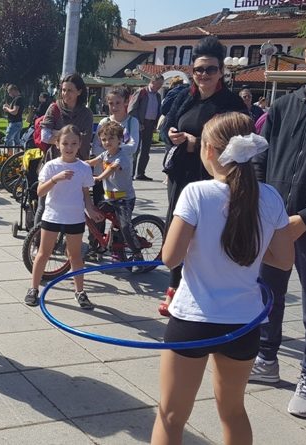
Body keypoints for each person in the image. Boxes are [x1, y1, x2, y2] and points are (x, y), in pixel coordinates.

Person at [151, 112, 294, 444]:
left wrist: (205, 244)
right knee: (232, 411)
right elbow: (284, 260)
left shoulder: (196, 193)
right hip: (243, 323)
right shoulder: (270, 197)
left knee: (170, 415)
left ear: (209, 151)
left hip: (193, 319)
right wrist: (248, 251)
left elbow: (169, 257)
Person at [249, 23, 306, 419]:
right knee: (269, 294)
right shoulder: (283, 107)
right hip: (276, 219)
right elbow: (261, 158)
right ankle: (267, 357)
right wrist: (262, 203)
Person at [159, 36, 246, 317]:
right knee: (178, 229)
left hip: (214, 180)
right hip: (181, 176)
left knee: (207, 235)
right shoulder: (184, 97)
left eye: (210, 69)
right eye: (198, 69)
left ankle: (204, 289)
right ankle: (174, 287)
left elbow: (240, 146)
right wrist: (171, 135)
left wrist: (198, 144)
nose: (204, 75)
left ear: (221, 71)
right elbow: (166, 126)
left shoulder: (231, 103)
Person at [24, 125, 101, 308]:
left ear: (80, 144)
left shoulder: (83, 167)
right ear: (57, 144)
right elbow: (40, 192)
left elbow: (85, 193)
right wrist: (55, 179)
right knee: (44, 253)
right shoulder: (51, 166)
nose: (69, 147)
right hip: (53, 215)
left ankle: (80, 292)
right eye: (65, 143)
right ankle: (33, 289)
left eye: (73, 143)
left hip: (75, 217)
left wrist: (90, 209)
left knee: (75, 255)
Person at [36, 73, 94, 227]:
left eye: (70, 90)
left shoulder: (86, 113)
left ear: (79, 91)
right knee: (43, 205)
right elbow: (45, 136)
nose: (65, 94)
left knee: (72, 203)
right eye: (63, 90)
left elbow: (85, 140)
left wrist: (58, 135)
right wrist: (69, 136)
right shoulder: (54, 108)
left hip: (76, 164)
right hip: (54, 161)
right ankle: (37, 237)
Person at [86, 121, 145, 267]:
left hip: (124, 200)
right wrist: (75, 164)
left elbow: (112, 169)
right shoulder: (105, 154)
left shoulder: (122, 157)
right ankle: (97, 245)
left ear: (120, 140)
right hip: (109, 198)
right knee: (95, 216)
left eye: (111, 138)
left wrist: (98, 178)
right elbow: (92, 162)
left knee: (125, 227)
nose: (107, 142)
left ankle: (137, 253)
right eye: (104, 139)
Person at [91, 85, 140, 244]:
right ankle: (96, 244)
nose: (114, 107)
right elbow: (97, 146)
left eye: (118, 103)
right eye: (111, 103)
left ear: (126, 102)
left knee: (120, 220)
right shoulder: (104, 122)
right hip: (101, 173)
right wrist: (110, 151)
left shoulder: (132, 122)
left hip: (120, 175)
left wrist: (114, 150)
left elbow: (133, 146)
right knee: (98, 213)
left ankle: (121, 246)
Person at [129, 74, 164, 181]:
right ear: (152, 82)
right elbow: (131, 109)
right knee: (135, 149)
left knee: (146, 150)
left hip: (150, 125)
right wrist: (138, 123)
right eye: (158, 84)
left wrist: (155, 124)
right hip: (139, 124)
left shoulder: (158, 96)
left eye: (161, 85)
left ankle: (141, 173)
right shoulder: (141, 92)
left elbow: (158, 110)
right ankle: (130, 173)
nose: (159, 87)